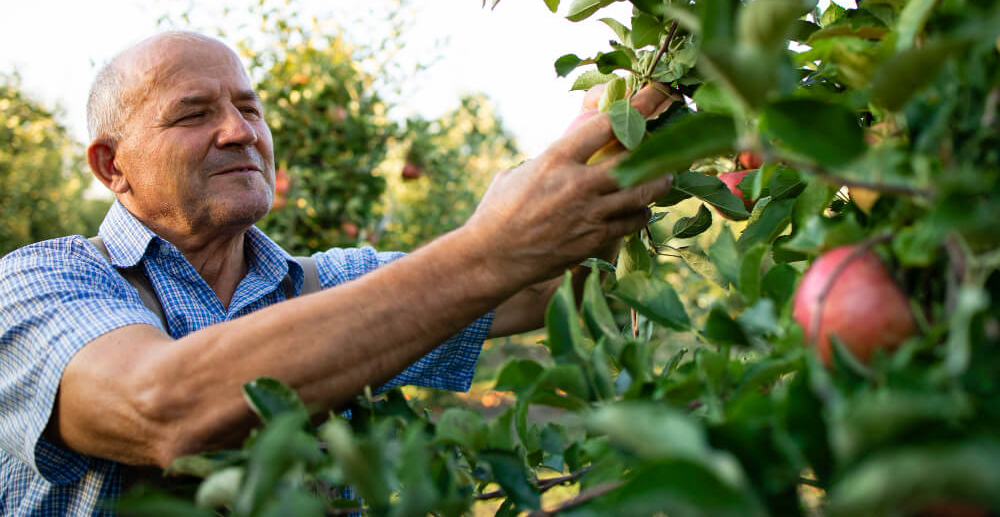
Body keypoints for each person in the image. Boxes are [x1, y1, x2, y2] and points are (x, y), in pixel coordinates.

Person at [0, 31, 674, 514]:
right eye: (193, 114)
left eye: (249, 109)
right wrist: (488, 249)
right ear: (112, 165)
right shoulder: (40, 282)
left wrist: (615, 156)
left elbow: (540, 288)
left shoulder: (329, 283)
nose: (240, 132)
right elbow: (162, 407)